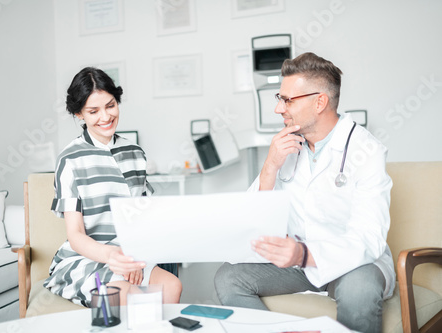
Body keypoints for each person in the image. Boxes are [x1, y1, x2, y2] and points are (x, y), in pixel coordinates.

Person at [214, 53, 394, 333]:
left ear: (319, 102)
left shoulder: (366, 151)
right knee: (229, 277)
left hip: (351, 262)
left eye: (287, 100)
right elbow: (252, 219)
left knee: (359, 289)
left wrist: (303, 254)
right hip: (298, 262)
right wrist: (270, 166)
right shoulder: (286, 146)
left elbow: (369, 238)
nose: (278, 109)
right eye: (280, 97)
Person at [44, 67, 182, 306]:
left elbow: (142, 217)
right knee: (130, 296)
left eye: (110, 105)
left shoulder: (135, 153)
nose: (105, 117)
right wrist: (113, 256)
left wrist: (134, 257)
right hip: (85, 258)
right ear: (79, 114)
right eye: (93, 111)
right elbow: (75, 236)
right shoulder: (70, 159)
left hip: (129, 254)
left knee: (172, 286)